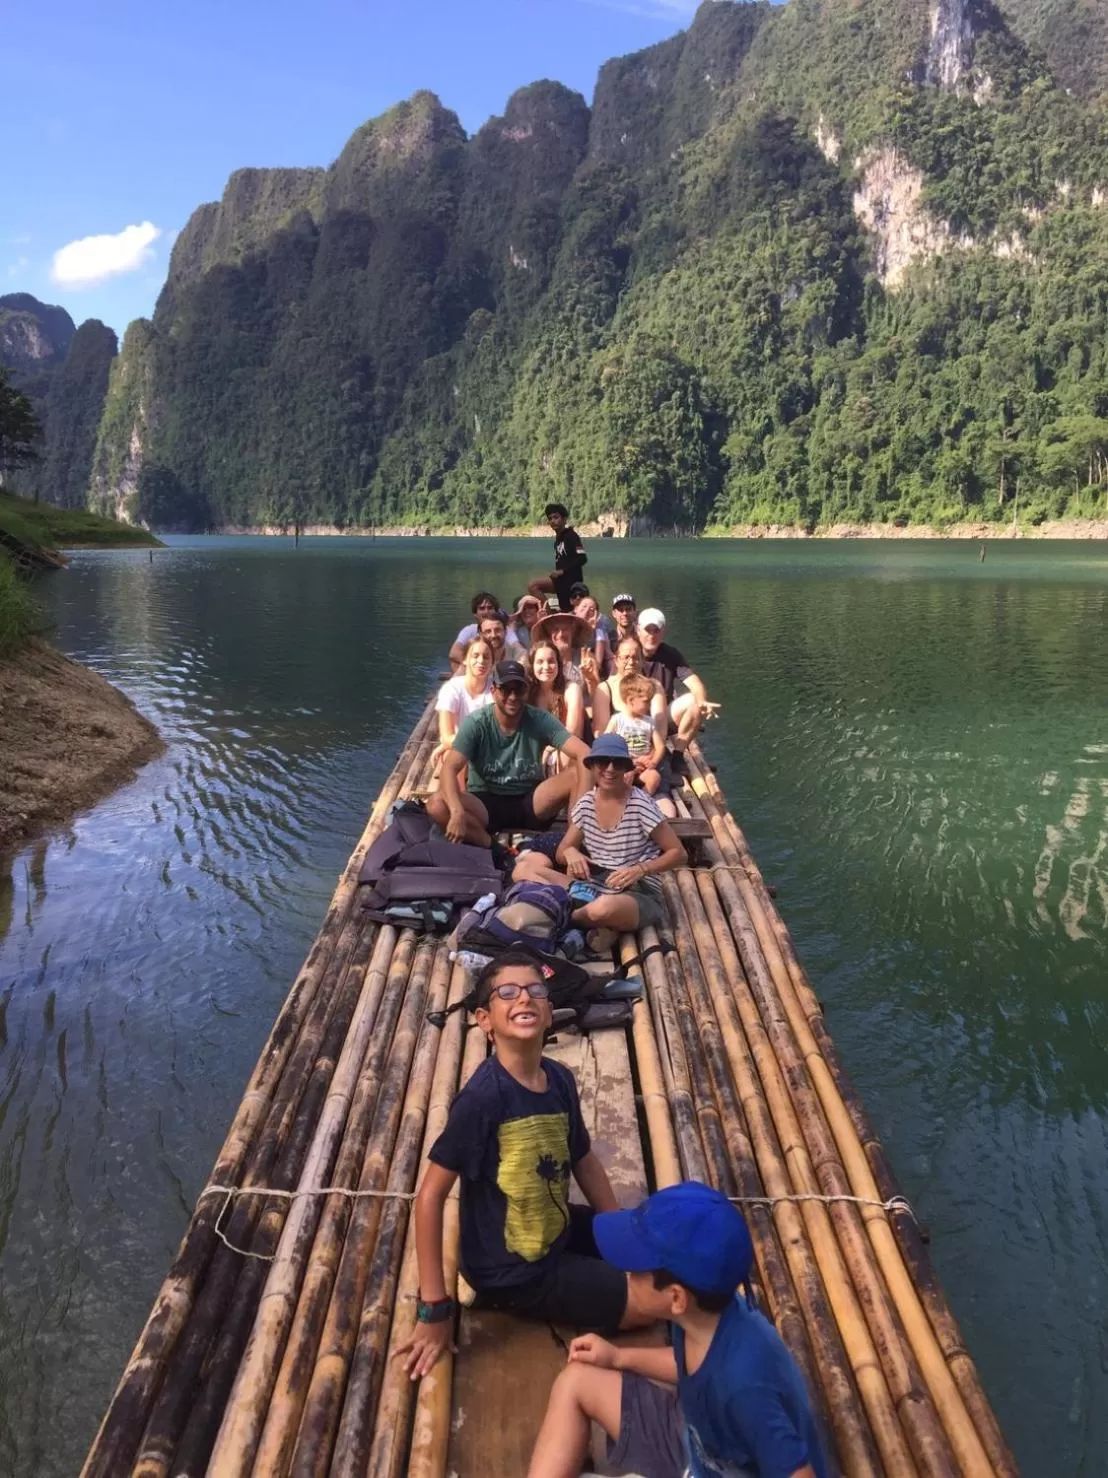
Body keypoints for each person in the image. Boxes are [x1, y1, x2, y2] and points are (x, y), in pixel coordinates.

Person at [395, 951, 657, 1380]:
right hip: (514, 1269)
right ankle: (498, 1295)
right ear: (485, 1019)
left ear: (550, 1012)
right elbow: (430, 1196)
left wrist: (617, 1231)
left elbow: (583, 1159)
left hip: (553, 1228)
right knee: (655, 1303)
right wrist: (433, 1309)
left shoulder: (559, 1079)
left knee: (653, 1250)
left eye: (537, 991)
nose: (525, 999)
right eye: (508, 993)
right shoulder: (482, 1100)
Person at [527, 1181, 828, 1478]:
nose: (626, 1272)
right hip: (696, 1442)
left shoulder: (745, 1389)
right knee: (576, 1381)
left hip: (715, 1463)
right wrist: (618, 1357)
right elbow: (693, 1365)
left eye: (636, 1268)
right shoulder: (706, 1316)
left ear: (675, 1297)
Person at [513, 734, 683, 934]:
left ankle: (565, 918)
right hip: (590, 888)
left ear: (626, 768)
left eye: (617, 763)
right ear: (592, 766)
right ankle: (586, 919)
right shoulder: (586, 803)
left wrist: (640, 869)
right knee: (521, 870)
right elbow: (563, 850)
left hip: (634, 892)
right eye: (603, 762)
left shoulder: (640, 804)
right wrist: (571, 853)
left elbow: (678, 853)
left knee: (603, 909)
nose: (610, 769)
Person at [425, 660, 590, 846]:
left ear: (526, 691)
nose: (512, 696)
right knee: (436, 804)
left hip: (531, 799)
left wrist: (576, 829)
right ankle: (490, 845)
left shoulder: (539, 718)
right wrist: (457, 811)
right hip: (485, 803)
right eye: (505, 689)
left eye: (518, 689)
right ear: (493, 690)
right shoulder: (477, 723)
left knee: (579, 771)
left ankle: (570, 842)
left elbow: (584, 752)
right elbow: (449, 768)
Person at [638, 607, 716, 756]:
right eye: (648, 630)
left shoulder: (670, 654)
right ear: (638, 630)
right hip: (635, 714)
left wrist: (702, 701)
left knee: (695, 701)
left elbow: (694, 682)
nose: (652, 635)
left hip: (662, 717)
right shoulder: (630, 652)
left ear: (663, 632)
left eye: (657, 630)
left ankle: (678, 755)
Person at [431, 635, 493, 768]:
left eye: (486, 657)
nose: (481, 661)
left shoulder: (496, 689)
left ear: (492, 662)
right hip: (463, 750)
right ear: (465, 659)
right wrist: (447, 744)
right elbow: (447, 737)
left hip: (489, 751)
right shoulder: (452, 688)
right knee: (454, 755)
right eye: (475, 656)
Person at [592, 635, 667, 738]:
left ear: (642, 661)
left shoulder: (654, 686)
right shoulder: (605, 688)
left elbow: (660, 729)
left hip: (648, 747)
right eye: (626, 657)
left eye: (636, 658)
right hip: (615, 749)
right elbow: (600, 733)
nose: (631, 662)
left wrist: (654, 754)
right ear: (616, 660)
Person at [607, 674, 667, 800]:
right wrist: (629, 761)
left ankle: (641, 801)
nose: (650, 705)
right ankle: (622, 801)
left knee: (654, 777)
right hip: (623, 765)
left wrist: (653, 762)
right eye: (646, 701)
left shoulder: (649, 722)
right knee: (625, 776)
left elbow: (660, 746)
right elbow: (606, 744)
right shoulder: (618, 720)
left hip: (643, 768)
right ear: (630, 700)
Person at [528, 503, 587, 612]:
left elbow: (582, 558)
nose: (552, 521)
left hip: (572, 582)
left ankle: (550, 614)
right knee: (534, 586)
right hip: (561, 581)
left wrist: (562, 571)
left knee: (534, 585)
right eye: (550, 518)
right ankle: (549, 615)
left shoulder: (571, 536)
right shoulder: (559, 539)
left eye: (556, 517)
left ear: (564, 519)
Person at [529, 639, 584, 742]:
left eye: (551, 661)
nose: (546, 667)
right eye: (540, 662)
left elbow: (573, 733)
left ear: (559, 664)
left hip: (568, 748)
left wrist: (550, 750)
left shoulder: (571, 689)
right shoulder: (528, 693)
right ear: (532, 666)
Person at [530, 598, 592, 690]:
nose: (561, 634)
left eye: (565, 629)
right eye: (555, 629)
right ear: (548, 633)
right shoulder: (540, 662)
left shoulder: (586, 658)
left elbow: (595, 695)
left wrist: (591, 679)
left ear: (574, 631)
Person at [448, 591, 502, 668]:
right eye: (482, 608)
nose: (486, 612)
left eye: (490, 608)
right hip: (480, 667)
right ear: (475, 614)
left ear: (496, 611)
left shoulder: (503, 630)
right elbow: (454, 653)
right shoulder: (470, 630)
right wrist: (475, 665)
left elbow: (518, 647)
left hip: (499, 667)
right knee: (455, 663)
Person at [572, 592, 611, 676]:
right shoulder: (566, 625)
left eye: (591, 610)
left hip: (586, 671)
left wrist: (590, 630)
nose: (586, 611)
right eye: (584, 606)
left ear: (596, 615)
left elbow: (598, 664)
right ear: (576, 609)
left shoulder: (599, 631)